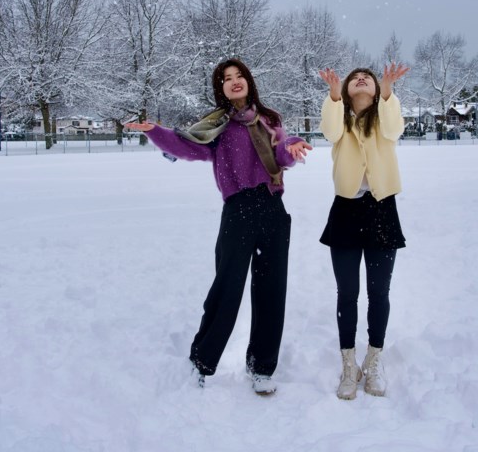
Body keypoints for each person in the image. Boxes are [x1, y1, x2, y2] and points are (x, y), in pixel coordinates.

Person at [125, 59, 312, 396]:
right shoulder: (218, 126)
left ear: (249, 81)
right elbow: (185, 145)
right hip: (238, 210)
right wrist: (155, 132)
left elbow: (282, 150)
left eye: (239, 76)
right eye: (226, 79)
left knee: (272, 291)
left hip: (272, 207)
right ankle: (202, 360)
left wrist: (292, 147)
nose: (234, 81)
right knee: (226, 289)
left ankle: (262, 367)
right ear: (220, 88)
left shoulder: (269, 120)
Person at [317, 63, 409, 400]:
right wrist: (332, 95)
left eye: (367, 77)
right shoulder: (339, 120)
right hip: (345, 209)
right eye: (355, 77)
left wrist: (387, 92)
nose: (361, 79)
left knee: (379, 292)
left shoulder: (384, 117)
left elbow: (395, 127)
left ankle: (373, 360)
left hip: (382, 209)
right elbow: (328, 130)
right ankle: (348, 364)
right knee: (347, 293)